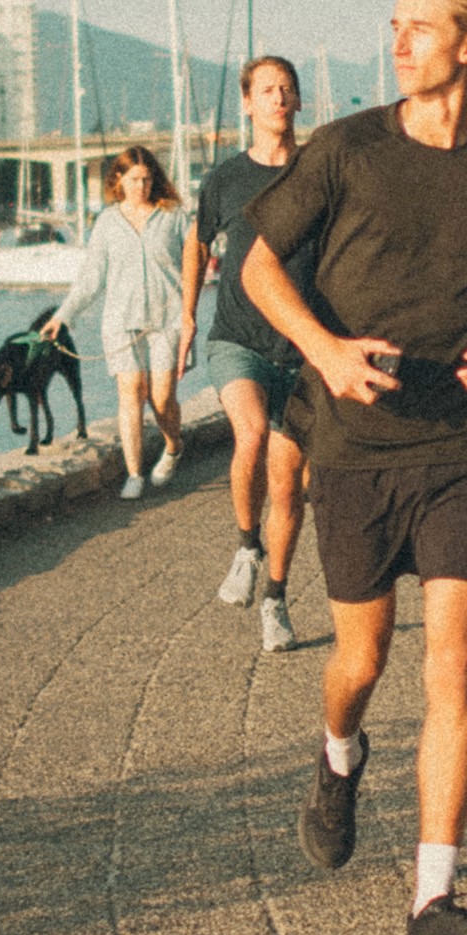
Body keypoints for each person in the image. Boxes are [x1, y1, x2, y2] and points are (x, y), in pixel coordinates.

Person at [238, 0, 467, 935]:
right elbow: (258, 264)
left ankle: (434, 900)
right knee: (359, 665)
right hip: (357, 451)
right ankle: (338, 758)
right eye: (396, 21)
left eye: (419, 24)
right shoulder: (344, 150)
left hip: (462, 447)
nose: (398, 38)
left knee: (451, 661)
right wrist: (323, 351)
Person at [183, 55, 311, 652]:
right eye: (267, 90)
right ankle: (245, 547)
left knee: (288, 489)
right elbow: (197, 240)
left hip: (303, 347)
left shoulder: (317, 174)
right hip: (236, 337)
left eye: (287, 89)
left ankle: (276, 600)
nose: (279, 98)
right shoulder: (226, 178)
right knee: (251, 434)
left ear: (299, 102)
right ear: (248, 104)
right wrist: (187, 314)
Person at [51, 144, 190, 501]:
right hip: (120, 321)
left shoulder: (173, 215)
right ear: (118, 180)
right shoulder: (108, 222)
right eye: (134, 180)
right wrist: (63, 315)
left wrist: (190, 315)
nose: (142, 186)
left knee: (161, 400)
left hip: (166, 318)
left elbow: (193, 267)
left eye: (147, 179)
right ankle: (134, 474)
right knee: (131, 393)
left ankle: (173, 446)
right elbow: (91, 278)